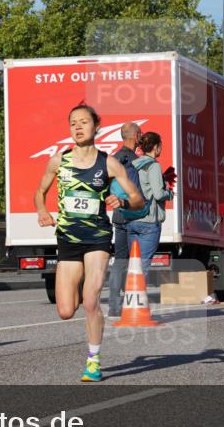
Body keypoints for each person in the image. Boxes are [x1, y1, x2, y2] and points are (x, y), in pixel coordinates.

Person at [34, 104, 144, 382]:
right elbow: (40, 192)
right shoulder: (59, 161)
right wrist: (43, 211)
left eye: (84, 122)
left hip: (97, 238)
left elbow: (139, 200)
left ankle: (93, 361)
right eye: (73, 123)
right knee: (65, 311)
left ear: (96, 126)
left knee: (91, 300)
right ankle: (84, 297)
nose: (78, 127)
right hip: (68, 241)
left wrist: (121, 200)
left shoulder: (108, 163)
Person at [126, 131, 174, 276]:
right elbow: (158, 194)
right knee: (143, 266)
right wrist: (169, 194)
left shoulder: (134, 163)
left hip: (132, 219)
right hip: (148, 220)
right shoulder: (153, 166)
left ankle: (131, 296)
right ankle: (138, 297)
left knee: (133, 264)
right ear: (156, 147)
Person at [107, 121, 141, 317]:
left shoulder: (113, 159)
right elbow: (138, 192)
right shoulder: (135, 162)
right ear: (136, 137)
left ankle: (114, 305)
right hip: (134, 216)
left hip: (118, 216)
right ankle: (134, 302)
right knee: (137, 261)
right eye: (141, 135)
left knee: (119, 261)